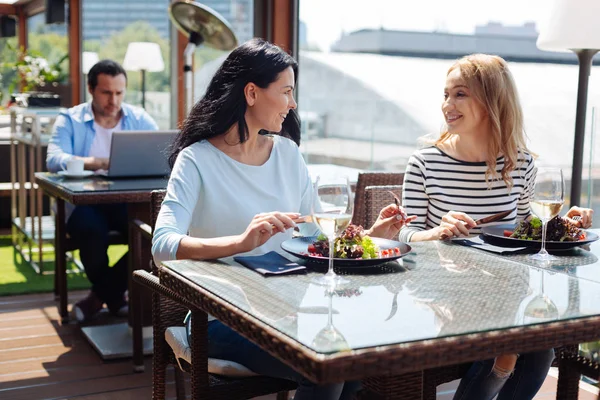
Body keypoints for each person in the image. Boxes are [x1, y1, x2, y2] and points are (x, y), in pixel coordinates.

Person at [151, 38, 407, 400]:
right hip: (221, 320)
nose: (293, 103)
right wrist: (241, 243)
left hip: (288, 312)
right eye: (286, 91)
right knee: (328, 368)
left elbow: (317, 239)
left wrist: (370, 236)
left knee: (355, 362)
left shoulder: (288, 154)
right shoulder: (197, 160)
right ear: (252, 93)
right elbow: (161, 247)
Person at [371, 53, 593, 400]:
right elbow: (404, 234)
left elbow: (524, 231)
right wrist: (437, 232)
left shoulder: (520, 163)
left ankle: (507, 354)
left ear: (492, 101)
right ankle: (505, 356)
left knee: (540, 349)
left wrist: (561, 223)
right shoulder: (425, 162)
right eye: (446, 94)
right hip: (441, 290)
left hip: (505, 288)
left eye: (460, 94)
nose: (448, 105)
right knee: (505, 344)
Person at [46, 59, 159, 322]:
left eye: (119, 93)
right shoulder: (70, 119)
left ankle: (99, 297)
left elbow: (163, 152)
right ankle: (115, 297)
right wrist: (99, 162)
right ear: (91, 89)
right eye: (107, 92)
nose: (114, 100)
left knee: (150, 234)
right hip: (83, 204)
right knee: (91, 233)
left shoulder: (139, 118)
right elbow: (53, 158)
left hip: (126, 201)